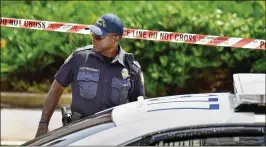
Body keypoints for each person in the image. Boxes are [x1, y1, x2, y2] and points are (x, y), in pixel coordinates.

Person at [35, 14, 146, 138]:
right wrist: (43, 124)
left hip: (112, 136)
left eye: (98, 36)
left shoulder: (132, 69)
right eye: (92, 34)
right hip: (77, 134)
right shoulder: (79, 58)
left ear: (115, 39)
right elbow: (56, 89)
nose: (93, 38)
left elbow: (138, 109)